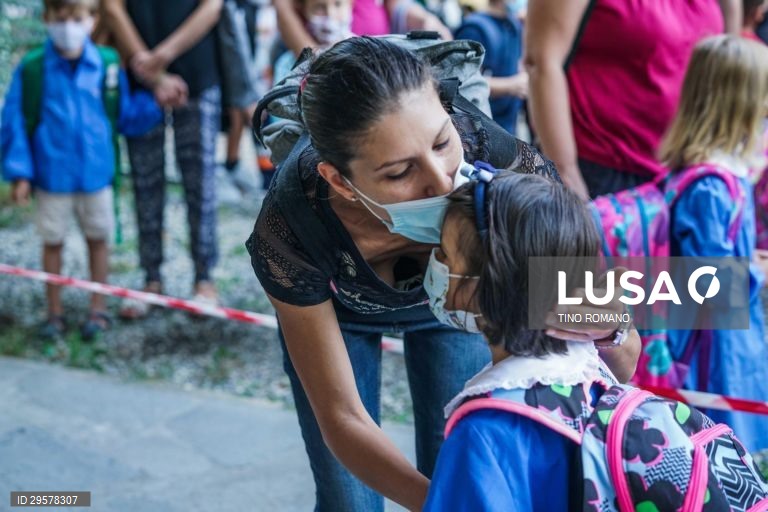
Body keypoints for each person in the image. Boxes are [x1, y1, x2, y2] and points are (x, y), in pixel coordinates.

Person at [246, 36, 640, 511]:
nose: (442, 181)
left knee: (459, 449)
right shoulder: (290, 230)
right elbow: (342, 417)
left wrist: (607, 326)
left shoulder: (508, 172)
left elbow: (612, 363)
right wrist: (448, 503)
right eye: (399, 173)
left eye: (441, 142)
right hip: (342, 314)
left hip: (459, 309)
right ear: (339, 180)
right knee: (349, 500)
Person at [422, 170, 609, 511]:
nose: (435, 262)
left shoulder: (482, 432)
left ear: (485, 286)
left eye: (445, 254)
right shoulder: (595, 381)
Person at [1, 0, 162, 339]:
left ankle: (98, 308)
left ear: (92, 19)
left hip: (96, 174)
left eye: (77, 18)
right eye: (61, 19)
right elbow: (14, 120)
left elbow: (122, 113)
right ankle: (54, 312)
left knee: (98, 240)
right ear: (47, 18)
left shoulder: (107, 64)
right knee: (52, 241)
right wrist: (20, 173)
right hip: (51, 175)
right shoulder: (32, 67)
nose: (69, 27)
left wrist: (156, 104)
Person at [659, 35, 768, 453]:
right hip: (716, 353)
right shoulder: (710, 188)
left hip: (729, 339)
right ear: (741, 104)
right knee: (722, 446)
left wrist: (747, 259)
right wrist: (756, 271)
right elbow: (713, 286)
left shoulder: (718, 177)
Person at [525, 0, 738, 199]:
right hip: (600, 171)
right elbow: (542, 61)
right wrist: (566, 174)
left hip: (682, 172)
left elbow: (730, 57)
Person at [102, 0, 224, 314]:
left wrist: (160, 58)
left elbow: (213, 7)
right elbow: (112, 7)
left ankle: (204, 280)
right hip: (140, 79)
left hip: (197, 73)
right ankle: (151, 278)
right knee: (145, 181)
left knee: (201, 184)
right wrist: (152, 73)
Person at [454, 0, 527, 135]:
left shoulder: (513, 25)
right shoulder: (475, 28)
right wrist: (511, 86)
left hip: (509, 126)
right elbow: (462, 84)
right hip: (481, 129)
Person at [272, 0, 354, 83]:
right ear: (304, 10)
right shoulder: (287, 65)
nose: (330, 14)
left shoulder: (360, 52)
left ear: (351, 3)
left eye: (338, 4)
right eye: (319, 7)